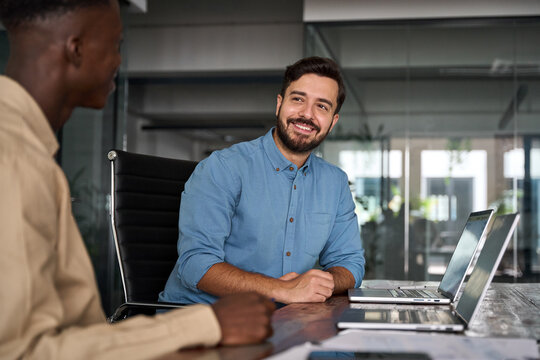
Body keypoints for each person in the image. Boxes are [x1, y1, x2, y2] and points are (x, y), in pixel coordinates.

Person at [0, 1, 274, 359]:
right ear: (76, 48)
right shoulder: (14, 160)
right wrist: (206, 324)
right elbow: (21, 352)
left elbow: (71, 332)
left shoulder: (31, 154)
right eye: (116, 45)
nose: (118, 61)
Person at [160, 56, 365, 305]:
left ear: (332, 122)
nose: (307, 114)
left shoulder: (335, 183)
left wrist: (320, 282)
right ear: (279, 105)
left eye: (321, 106)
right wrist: (283, 290)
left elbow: (350, 263)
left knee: (347, 344)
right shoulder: (224, 167)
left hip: (283, 319)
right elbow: (195, 264)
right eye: (298, 99)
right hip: (204, 318)